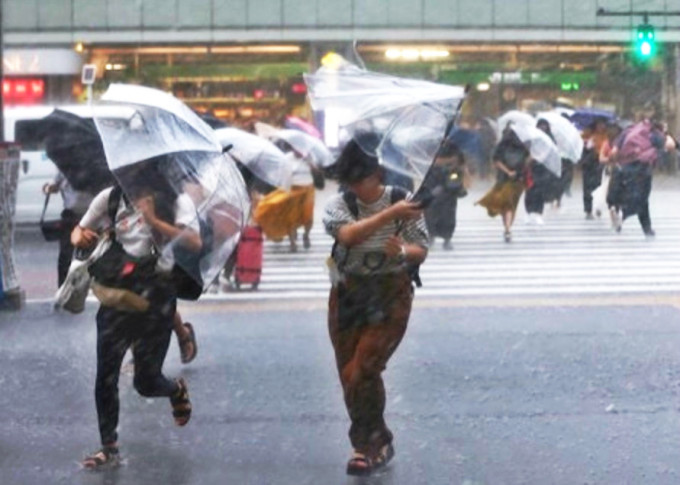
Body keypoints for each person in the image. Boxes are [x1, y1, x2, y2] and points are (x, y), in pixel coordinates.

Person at [71, 161, 198, 469]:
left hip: (157, 298)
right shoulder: (111, 198)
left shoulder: (176, 202)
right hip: (118, 294)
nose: (129, 177)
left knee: (146, 382)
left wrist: (154, 219)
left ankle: (174, 388)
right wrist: (80, 237)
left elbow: (194, 242)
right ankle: (108, 447)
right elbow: (81, 228)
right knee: (106, 375)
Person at [323, 133, 429, 476]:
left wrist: (401, 251)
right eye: (348, 181)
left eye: (360, 180)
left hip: (390, 293)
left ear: (377, 176)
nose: (354, 187)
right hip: (349, 293)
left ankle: (365, 446)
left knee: (363, 370)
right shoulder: (340, 206)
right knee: (349, 374)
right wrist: (390, 216)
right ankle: (375, 441)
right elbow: (349, 236)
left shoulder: (402, 200)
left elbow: (420, 249)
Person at [476, 124, 529, 242]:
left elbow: (496, 161)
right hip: (518, 180)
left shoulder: (501, 146)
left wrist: (507, 171)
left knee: (506, 205)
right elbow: (525, 162)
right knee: (511, 205)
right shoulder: (523, 146)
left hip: (503, 179)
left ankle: (507, 227)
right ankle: (508, 228)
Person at [42, 171, 94, 287]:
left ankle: (77, 284)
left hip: (90, 215)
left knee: (86, 252)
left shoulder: (92, 168)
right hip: (73, 215)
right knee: (66, 254)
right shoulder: (65, 169)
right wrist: (48, 188)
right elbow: (53, 186)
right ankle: (63, 286)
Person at [423, 142, 468, 250]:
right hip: (433, 181)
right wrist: (445, 161)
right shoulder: (430, 145)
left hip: (449, 184)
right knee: (430, 212)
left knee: (448, 213)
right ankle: (431, 236)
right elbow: (428, 161)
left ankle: (447, 238)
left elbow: (460, 161)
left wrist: (453, 164)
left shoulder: (453, 146)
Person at [525, 119, 560, 225]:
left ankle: (538, 213)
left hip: (544, 168)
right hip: (531, 168)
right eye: (540, 126)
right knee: (530, 190)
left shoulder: (551, 138)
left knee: (540, 191)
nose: (542, 128)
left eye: (544, 126)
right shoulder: (532, 137)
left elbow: (554, 152)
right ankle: (529, 212)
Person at [581, 117, 608, 219]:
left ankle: (598, 207)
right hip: (589, 164)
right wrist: (588, 145)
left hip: (601, 164)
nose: (601, 126)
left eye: (603, 124)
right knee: (588, 187)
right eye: (599, 124)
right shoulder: (588, 135)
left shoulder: (606, 136)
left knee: (600, 187)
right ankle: (588, 210)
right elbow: (582, 148)